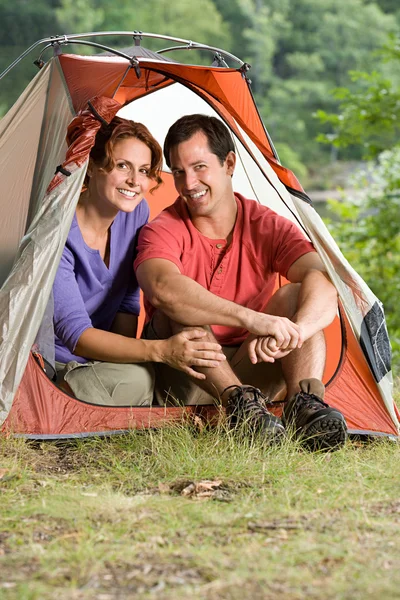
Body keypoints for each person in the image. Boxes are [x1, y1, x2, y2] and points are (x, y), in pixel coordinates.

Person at [134, 114, 347, 449]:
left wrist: (297, 331)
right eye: (178, 172)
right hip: (185, 373)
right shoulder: (162, 229)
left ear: (229, 163)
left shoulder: (266, 225)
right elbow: (163, 288)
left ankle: (304, 406)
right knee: (182, 307)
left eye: (200, 166)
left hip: (252, 367)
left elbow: (323, 278)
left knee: (297, 294)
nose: (189, 183)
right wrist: (254, 319)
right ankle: (237, 407)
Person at [53, 116, 226, 406]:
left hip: (100, 359)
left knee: (141, 376)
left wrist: (130, 361)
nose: (135, 181)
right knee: (141, 379)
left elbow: (127, 301)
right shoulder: (60, 230)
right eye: (122, 166)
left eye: (144, 170)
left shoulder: (134, 213)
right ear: (93, 167)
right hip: (54, 360)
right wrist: (158, 351)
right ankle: (57, 394)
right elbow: (76, 335)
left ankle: (101, 394)